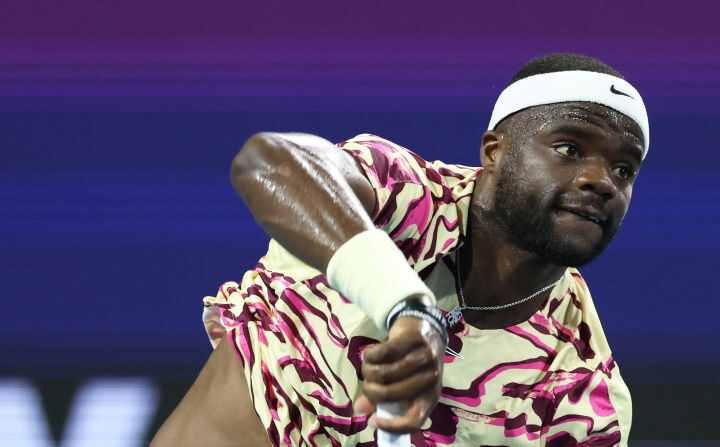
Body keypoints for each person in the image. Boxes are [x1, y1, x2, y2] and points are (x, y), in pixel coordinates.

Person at [151, 53, 648, 446]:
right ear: (494, 152)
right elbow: (268, 163)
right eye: (568, 149)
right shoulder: (403, 198)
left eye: (624, 169)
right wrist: (407, 307)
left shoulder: (582, 388)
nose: (600, 181)